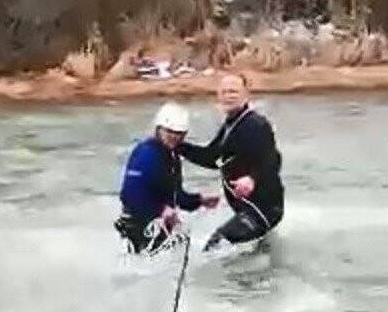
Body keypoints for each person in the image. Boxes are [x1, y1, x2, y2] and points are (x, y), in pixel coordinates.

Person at [179, 71, 284, 251]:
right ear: (218, 96)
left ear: (246, 95)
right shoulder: (231, 124)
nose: (229, 96)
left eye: (234, 92)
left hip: (262, 210)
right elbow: (212, 158)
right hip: (248, 209)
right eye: (225, 92)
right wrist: (177, 146)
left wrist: (252, 178)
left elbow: (273, 159)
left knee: (216, 245)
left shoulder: (255, 125)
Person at [115, 102, 218, 254]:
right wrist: (161, 209)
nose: (174, 137)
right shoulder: (146, 154)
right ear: (158, 129)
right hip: (139, 224)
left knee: (181, 245)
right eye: (169, 132)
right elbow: (130, 194)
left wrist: (199, 200)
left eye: (179, 134)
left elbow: (175, 195)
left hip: (159, 223)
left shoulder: (172, 155)